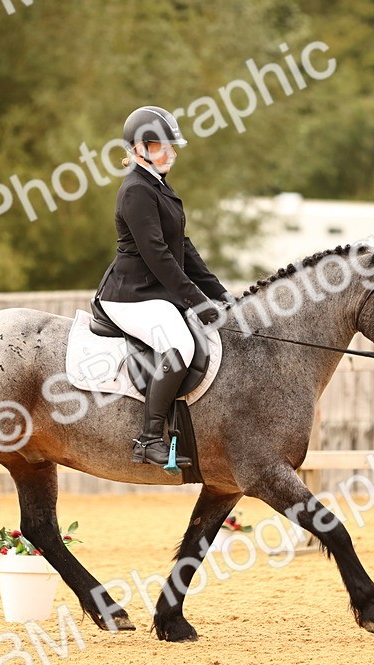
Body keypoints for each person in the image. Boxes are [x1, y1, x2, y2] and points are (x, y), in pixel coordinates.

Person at [94, 105, 235, 468]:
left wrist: (219, 295)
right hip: (129, 295)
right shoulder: (136, 191)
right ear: (139, 149)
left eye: (172, 145)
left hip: (151, 292)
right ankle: (149, 438)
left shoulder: (157, 185)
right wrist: (194, 300)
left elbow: (183, 248)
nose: (171, 152)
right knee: (180, 343)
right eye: (161, 146)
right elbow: (157, 255)